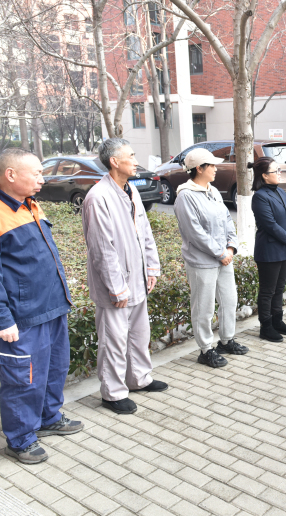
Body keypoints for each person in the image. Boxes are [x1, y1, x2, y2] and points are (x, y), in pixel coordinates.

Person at [0, 148, 82, 465]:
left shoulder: (32, 205)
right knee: (22, 381)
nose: (43, 179)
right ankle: (20, 440)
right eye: (37, 173)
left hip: (52, 308)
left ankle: (49, 418)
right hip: (21, 317)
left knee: (54, 370)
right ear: (11, 174)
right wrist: (1, 319)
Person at [82, 138, 167, 415]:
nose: (136, 161)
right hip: (115, 287)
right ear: (114, 161)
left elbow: (145, 233)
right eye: (131, 156)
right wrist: (116, 287)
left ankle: (139, 379)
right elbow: (101, 249)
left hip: (137, 278)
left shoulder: (131, 190)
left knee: (139, 334)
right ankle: (113, 393)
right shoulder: (98, 197)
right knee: (114, 340)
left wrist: (151, 268)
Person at [174, 149, 248, 367]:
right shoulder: (185, 196)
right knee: (203, 308)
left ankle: (226, 340)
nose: (216, 169)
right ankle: (206, 349)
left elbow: (227, 220)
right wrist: (220, 253)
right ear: (199, 168)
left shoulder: (213, 191)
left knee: (229, 300)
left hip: (223, 257)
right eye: (212, 165)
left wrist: (231, 247)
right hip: (202, 261)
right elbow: (194, 233)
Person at [251, 156, 286, 342]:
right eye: (275, 171)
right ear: (264, 175)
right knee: (267, 290)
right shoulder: (260, 197)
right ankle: (266, 326)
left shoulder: (279, 191)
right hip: (269, 249)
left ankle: (277, 321)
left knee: (279, 288)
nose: (280, 173)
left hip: (284, 248)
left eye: (279, 170)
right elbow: (269, 224)